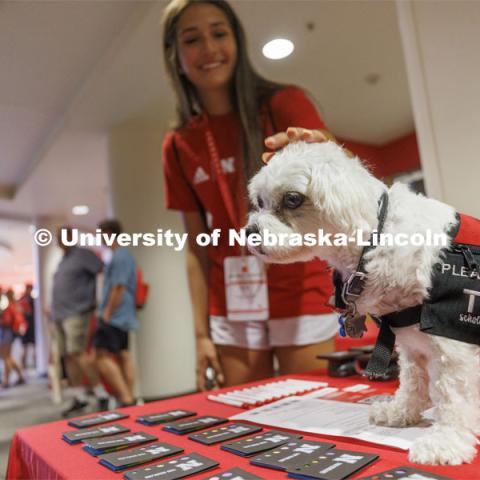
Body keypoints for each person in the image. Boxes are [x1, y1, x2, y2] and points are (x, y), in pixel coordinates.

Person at [161, 0, 338, 391]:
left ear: (236, 41)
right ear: (175, 56)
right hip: (233, 297)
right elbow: (196, 245)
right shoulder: (177, 144)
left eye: (219, 34)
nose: (209, 48)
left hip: (300, 285)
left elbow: (340, 178)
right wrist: (200, 334)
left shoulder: (283, 104)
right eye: (193, 39)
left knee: (314, 420)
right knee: (246, 424)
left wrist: (324, 152)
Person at [52, 226, 109, 415]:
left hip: (77, 312)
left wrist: (97, 303)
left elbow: (103, 272)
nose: (59, 240)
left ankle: (101, 393)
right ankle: (79, 396)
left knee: (77, 352)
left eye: (62, 237)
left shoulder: (84, 255)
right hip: (60, 315)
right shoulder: (63, 260)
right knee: (67, 355)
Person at [94, 219, 138, 407]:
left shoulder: (120, 256)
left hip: (115, 314)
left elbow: (118, 287)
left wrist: (107, 313)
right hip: (122, 314)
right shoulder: (122, 255)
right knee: (123, 354)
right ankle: (128, 397)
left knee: (101, 355)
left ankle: (126, 398)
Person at [0, 289, 26, 388]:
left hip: (7, 333)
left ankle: (6, 380)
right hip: (10, 333)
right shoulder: (16, 306)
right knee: (8, 357)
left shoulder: (10, 307)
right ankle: (20, 376)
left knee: (6, 357)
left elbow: (7, 322)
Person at [19, 283, 36, 369]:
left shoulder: (27, 300)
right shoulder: (26, 300)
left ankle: (32, 364)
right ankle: (24, 365)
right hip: (27, 326)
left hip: (30, 326)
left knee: (32, 347)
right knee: (25, 347)